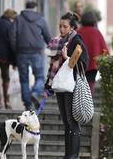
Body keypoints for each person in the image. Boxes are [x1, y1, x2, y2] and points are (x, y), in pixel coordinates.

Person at [44, 12, 89, 159]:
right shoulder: (59, 41)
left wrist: (66, 57)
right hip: (60, 85)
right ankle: (67, 154)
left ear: (71, 28)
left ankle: (73, 155)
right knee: (66, 121)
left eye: (64, 26)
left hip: (71, 84)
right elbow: (53, 66)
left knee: (72, 120)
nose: (61, 29)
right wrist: (48, 84)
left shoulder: (77, 40)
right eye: (60, 26)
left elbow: (83, 63)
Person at [11, 1, 52, 110]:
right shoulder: (41, 19)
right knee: (40, 77)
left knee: (24, 80)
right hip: (37, 52)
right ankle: (35, 92)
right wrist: (52, 48)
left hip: (21, 52)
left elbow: (12, 36)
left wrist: (16, 50)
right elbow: (47, 36)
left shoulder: (18, 19)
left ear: (26, 7)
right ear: (35, 8)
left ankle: (28, 104)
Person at [77, 11, 108, 95]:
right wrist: (102, 61)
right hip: (93, 64)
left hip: (80, 63)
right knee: (90, 84)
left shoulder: (78, 32)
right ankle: (89, 103)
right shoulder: (97, 32)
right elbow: (105, 50)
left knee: (79, 85)